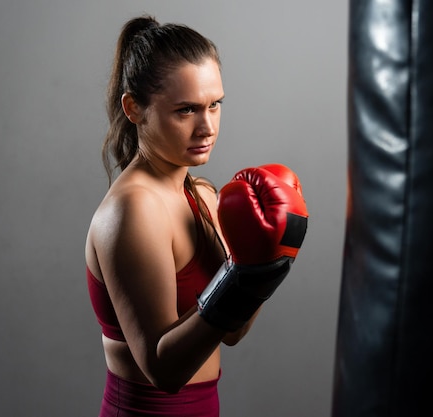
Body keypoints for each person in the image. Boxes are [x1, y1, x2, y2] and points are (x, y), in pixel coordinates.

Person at [85, 15, 308, 417]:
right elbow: (163, 370)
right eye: (186, 110)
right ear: (134, 108)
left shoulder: (205, 197)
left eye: (214, 105)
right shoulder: (132, 210)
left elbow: (232, 331)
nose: (207, 126)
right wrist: (245, 274)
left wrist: (264, 264)